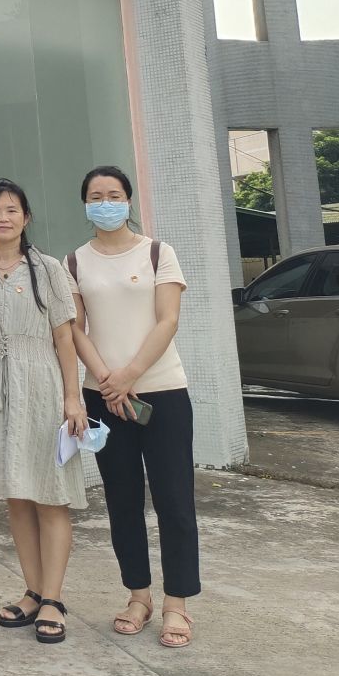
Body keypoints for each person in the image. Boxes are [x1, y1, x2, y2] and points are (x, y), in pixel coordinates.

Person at [67, 165, 199, 649]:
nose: (105, 203)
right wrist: (107, 379)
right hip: (103, 397)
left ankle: (176, 603)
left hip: (162, 392)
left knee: (174, 501)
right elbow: (75, 328)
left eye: (114, 194)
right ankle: (138, 596)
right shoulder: (74, 262)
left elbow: (168, 320)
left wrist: (128, 375)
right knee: (122, 501)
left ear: (128, 199)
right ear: (85, 204)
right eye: (96, 196)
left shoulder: (159, 252)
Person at [0, 179, 87, 645]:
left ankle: (53, 598)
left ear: (26, 218)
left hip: (43, 388)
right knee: (16, 494)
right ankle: (33, 591)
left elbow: (64, 337)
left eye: (12, 210)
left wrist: (72, 398)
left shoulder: (48, 269)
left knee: (50, 494)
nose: (3, 217)